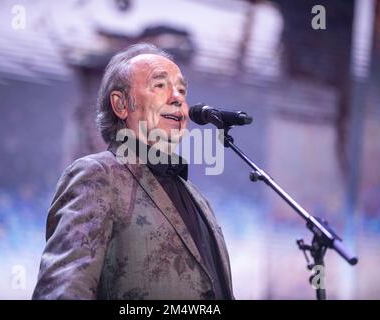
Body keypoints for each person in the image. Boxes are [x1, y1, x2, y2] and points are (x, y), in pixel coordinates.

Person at [32, 43, 234, 300]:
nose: (178, 97)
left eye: (182, 89)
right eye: (160, 86)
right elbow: (62, 293)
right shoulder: (97, 175)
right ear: (121, 105)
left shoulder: (196, 197)